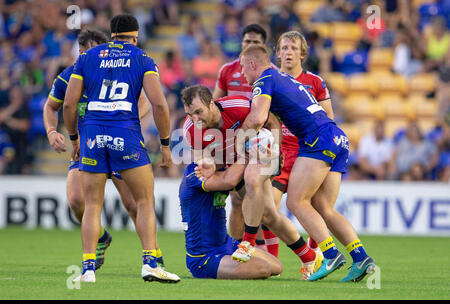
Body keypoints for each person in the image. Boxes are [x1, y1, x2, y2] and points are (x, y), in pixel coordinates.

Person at [238, 44, 376, 282]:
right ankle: (361, 257)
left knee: (296, 201)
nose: (242, 74)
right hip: (337, 137)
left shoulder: (264, 79)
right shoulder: (285, 79)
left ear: (252, 64)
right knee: (324, 207)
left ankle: (330, 254)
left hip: (317, 139)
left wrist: (239, 138)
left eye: (243, 67)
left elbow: (258, 117)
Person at [63, 14, 180, 283]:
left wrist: (73, 138)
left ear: (111, 34)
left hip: (92, 135)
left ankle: (88, 269)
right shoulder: (142, 59)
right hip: (125, 134)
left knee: (92, 204)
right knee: (143, 201)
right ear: (135, 35)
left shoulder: (87, 57)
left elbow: (69, 105)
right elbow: (159, 105)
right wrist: (164, 145)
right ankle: (151, 262)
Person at [43, 29, 165, 270]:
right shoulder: (69, 77)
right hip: (88, 147)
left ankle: (153, 254)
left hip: (118, 143)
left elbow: (145, 104)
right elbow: (51, 107)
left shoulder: (121, 73)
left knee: (133, 203)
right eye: (83, 53)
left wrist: (121, 121)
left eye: (93, 52)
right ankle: (100, 238)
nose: (88, 57)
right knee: (77, 200)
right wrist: (51, 131)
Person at [181, 85, 322, 280]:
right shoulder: (191, 131)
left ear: (212, 104)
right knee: (268, 214)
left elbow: (272, 121)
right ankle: (309, 257)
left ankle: (247, 243)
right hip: (240, 160)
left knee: (252, 181)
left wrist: (277, 151)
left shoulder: (237, 106)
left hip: (263, 152)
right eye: (190, 115)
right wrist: (214, 164)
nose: (195, 120)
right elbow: (209, 164)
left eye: (198, 112)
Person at [213, 24, 279, 253]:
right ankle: (235, 248)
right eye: (246, 41)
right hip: (236, 140)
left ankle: (260, 250)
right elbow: (215, 105)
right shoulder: (228, 70)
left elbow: (270, 113)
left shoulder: (269, 73)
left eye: (254, 42)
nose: (249, 45)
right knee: (237, 200)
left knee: (258, 197)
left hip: (259, 137)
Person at [271, 30, 334, 257]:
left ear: (302, 54)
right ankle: (275, 258)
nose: (289, 52)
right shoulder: (270, 81)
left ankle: (316, 257)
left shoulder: (315, 82)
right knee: (268, 210)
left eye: (294, 48)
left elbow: (329, 119)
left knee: (312, 207)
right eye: (284, 48)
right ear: (278, 53)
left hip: (308, 152)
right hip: (279, 153)